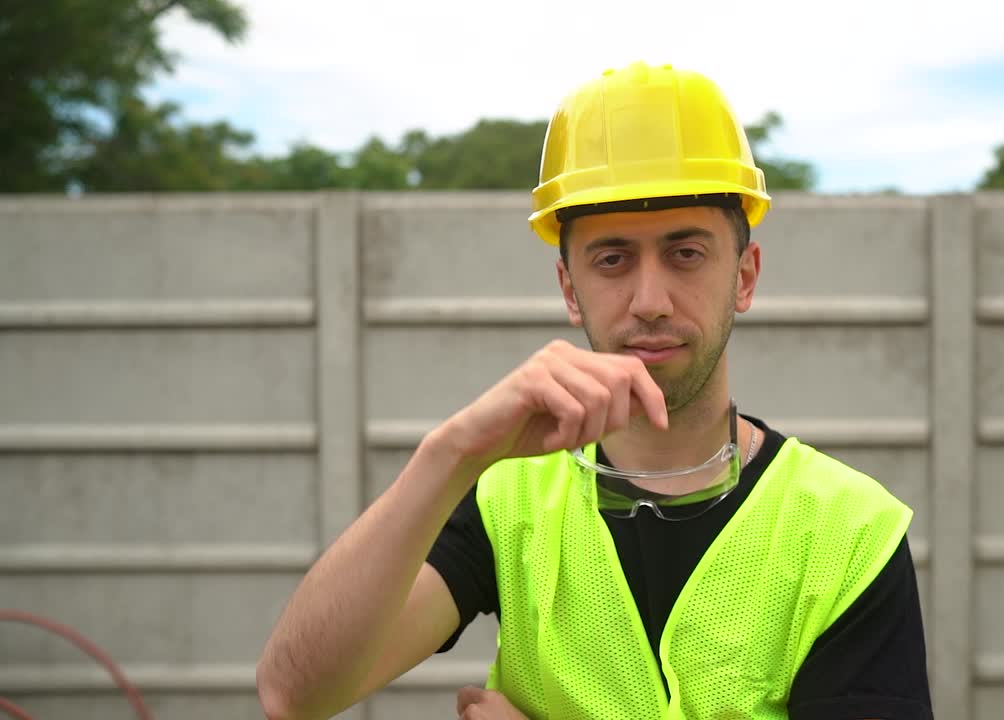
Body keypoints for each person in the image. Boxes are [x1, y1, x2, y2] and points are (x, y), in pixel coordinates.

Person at [256, 61, 932, 720]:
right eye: (612, 259)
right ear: (569, 288)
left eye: (685, 253)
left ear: (745, 276)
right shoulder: (506, 500)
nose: (649, 300)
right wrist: (451, 452)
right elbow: (296, 695)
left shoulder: (848, 532)